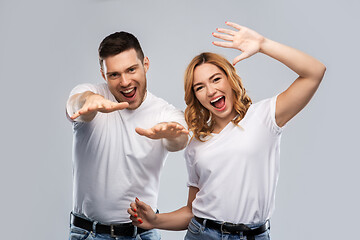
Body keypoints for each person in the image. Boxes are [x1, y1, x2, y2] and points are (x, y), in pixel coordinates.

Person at [127, 22, 326, 240]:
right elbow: (192, 211)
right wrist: (156, 220)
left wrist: (263, 44)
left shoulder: (265, 116)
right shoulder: (196, 144)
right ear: (196, 97)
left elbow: (314, 72)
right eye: (200, 87)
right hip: (202, 234)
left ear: (230, 79)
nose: (211, 91)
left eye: (216, 79)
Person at [66, 31, 189, 240]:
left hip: (142, 234)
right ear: (104, 75)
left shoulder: (165, 112)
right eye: (114, 74)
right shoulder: (90, 93)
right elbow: (75, 104)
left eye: (131, 69)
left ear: (146, 64)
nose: (124, 82)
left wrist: (170, 134)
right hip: (89, 233)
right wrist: (89, 101)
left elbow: (179, 140)